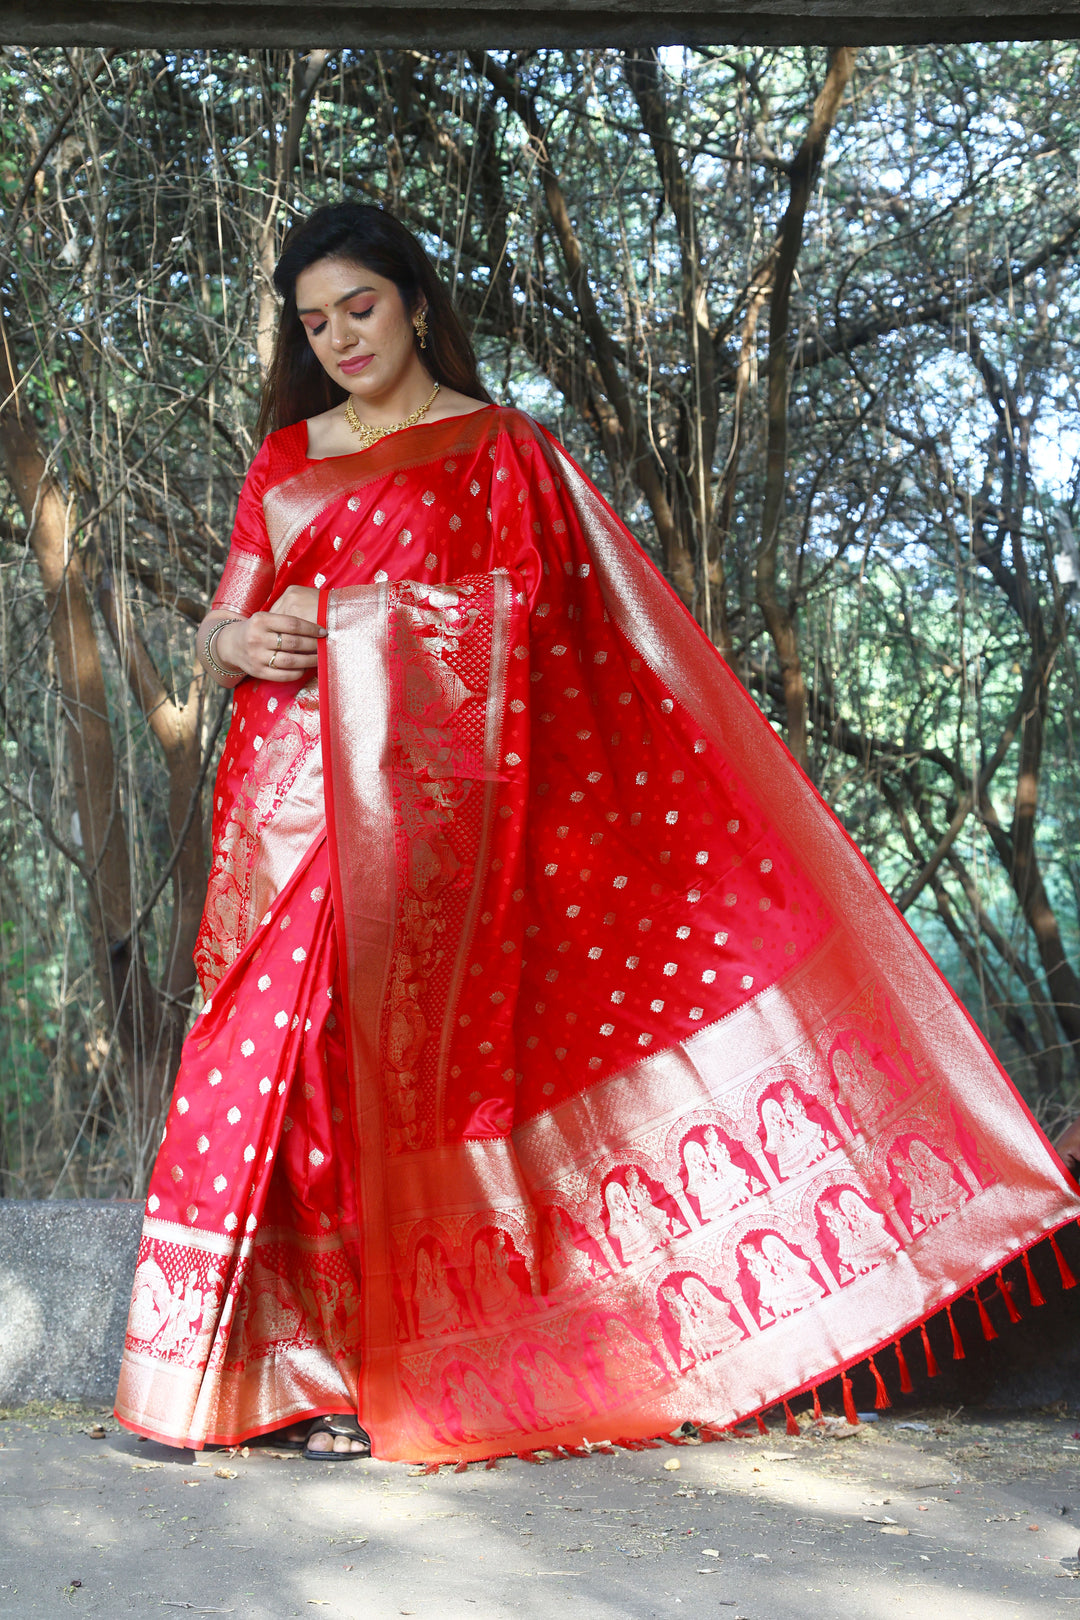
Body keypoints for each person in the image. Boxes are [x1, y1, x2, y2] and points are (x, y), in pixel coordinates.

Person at [115, 202, 1080, 1466]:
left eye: (361, 307)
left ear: (412, 302)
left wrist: (362, 633)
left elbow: (525, 629)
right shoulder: (285, 464)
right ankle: (233, 1379)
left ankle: (361, 1380)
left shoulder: (501, 450)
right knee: (259, 1074)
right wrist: (240, 642)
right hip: (284, 824)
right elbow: (221, 626)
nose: (342, 337)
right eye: (315, 321)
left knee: (368, 1089)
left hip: (421, 832)